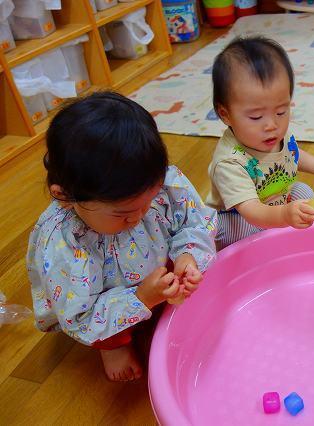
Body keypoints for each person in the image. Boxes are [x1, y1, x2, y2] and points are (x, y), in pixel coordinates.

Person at [27, 92, 217, 381]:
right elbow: (81, 315)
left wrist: (187, 255)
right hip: (104, 303)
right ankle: (114, 345)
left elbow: (193, 219)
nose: (140, 216)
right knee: (102, 325)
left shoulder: (158, 185)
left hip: (153, 268)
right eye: (123, 214)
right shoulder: (65, 243)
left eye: (149, 201)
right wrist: (141, 297)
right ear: (65, 196)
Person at [207, 35, 314, 249]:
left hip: (275, 200)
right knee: (244, 229)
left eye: (281, 112)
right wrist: (283, 215)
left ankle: (280, 233)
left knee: (304, 192)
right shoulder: (230, 163)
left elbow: (292, 154)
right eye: (256, 117)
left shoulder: (275, 134)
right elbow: (251, 210)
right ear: (225, 114)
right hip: (238, 216)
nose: (272, 125)